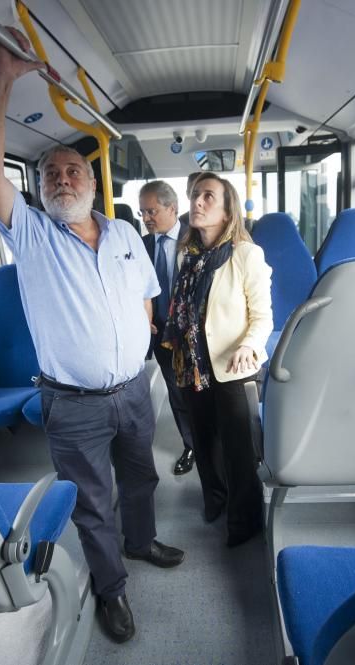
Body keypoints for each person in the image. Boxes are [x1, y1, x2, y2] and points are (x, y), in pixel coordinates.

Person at [0, 28, 184, 644]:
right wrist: (2, 77)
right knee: (91, 501)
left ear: (92, 183)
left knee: (141, 476)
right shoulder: (32, 236)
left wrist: (135, 354)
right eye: (51, 173)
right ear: (39, 189)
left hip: (133, 391)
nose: (63, 178)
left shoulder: (122, 235)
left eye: (73, 170)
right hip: (73, 403)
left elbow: (145, 295)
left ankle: (140, 542)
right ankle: (111, 590)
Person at [161, 172, 273, 548]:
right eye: (194, 195)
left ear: (227, 212)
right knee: (205, 443)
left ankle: (244, 523)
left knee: (239, 449)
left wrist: (249, 345)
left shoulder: (245, 254)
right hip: (192, 366)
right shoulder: (187, 255)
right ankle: (215, 501)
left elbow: (263, 316)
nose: (197, 202)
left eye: (208, 197)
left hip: (233, 366)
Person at [138, 180, 196, 476]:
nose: (146, 218)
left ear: (172, 208)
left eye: (151, 211)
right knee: (175, 390)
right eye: (142, 213)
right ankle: (190, 445)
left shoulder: (195, 239)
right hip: (160, 332)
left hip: (193, 332)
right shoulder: (142, 245)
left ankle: (211, 442)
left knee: (199, 390)